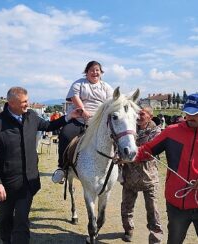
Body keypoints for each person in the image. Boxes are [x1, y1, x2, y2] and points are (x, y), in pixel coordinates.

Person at [0, 87, 81, 244]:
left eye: (27, 100)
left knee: (21, 222)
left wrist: (69, 117)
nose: (27, 104)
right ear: (11, 103)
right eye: (24, 102)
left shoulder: (31, 116)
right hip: (5, 184)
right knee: (5, 221)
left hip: (28, 182)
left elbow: (49, 126)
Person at [129, 93, 198, 244]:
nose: (190, 117)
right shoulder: (171, 132)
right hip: (176, 204)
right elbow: (146, 150)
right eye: (188, 112)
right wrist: (126, 154)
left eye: (195, 114)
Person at [52, 60, 113, 183]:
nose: (95, 72)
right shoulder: (78, 84)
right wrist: (83, 111)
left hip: (98, 122)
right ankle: (62, 168)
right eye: (92, 70)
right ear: (86, 72)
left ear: (101, 72)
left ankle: (119, 166)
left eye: (97, 70)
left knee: (114, 136)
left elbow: (111, 103)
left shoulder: (106, 87)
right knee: (65, 134)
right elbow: (75, 98)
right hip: (79, 119)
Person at [121, 106, 163, 243]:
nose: (139, 116)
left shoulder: (156, 131)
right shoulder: (130, 129)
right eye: (137, 113)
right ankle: (128, 230)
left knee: (153, 211)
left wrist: (127, 157)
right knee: (126, 207)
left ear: (150, 116)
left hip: (149, 178)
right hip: (129, 177)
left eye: (142, 114)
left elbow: (151, 152)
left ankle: (155, 237)